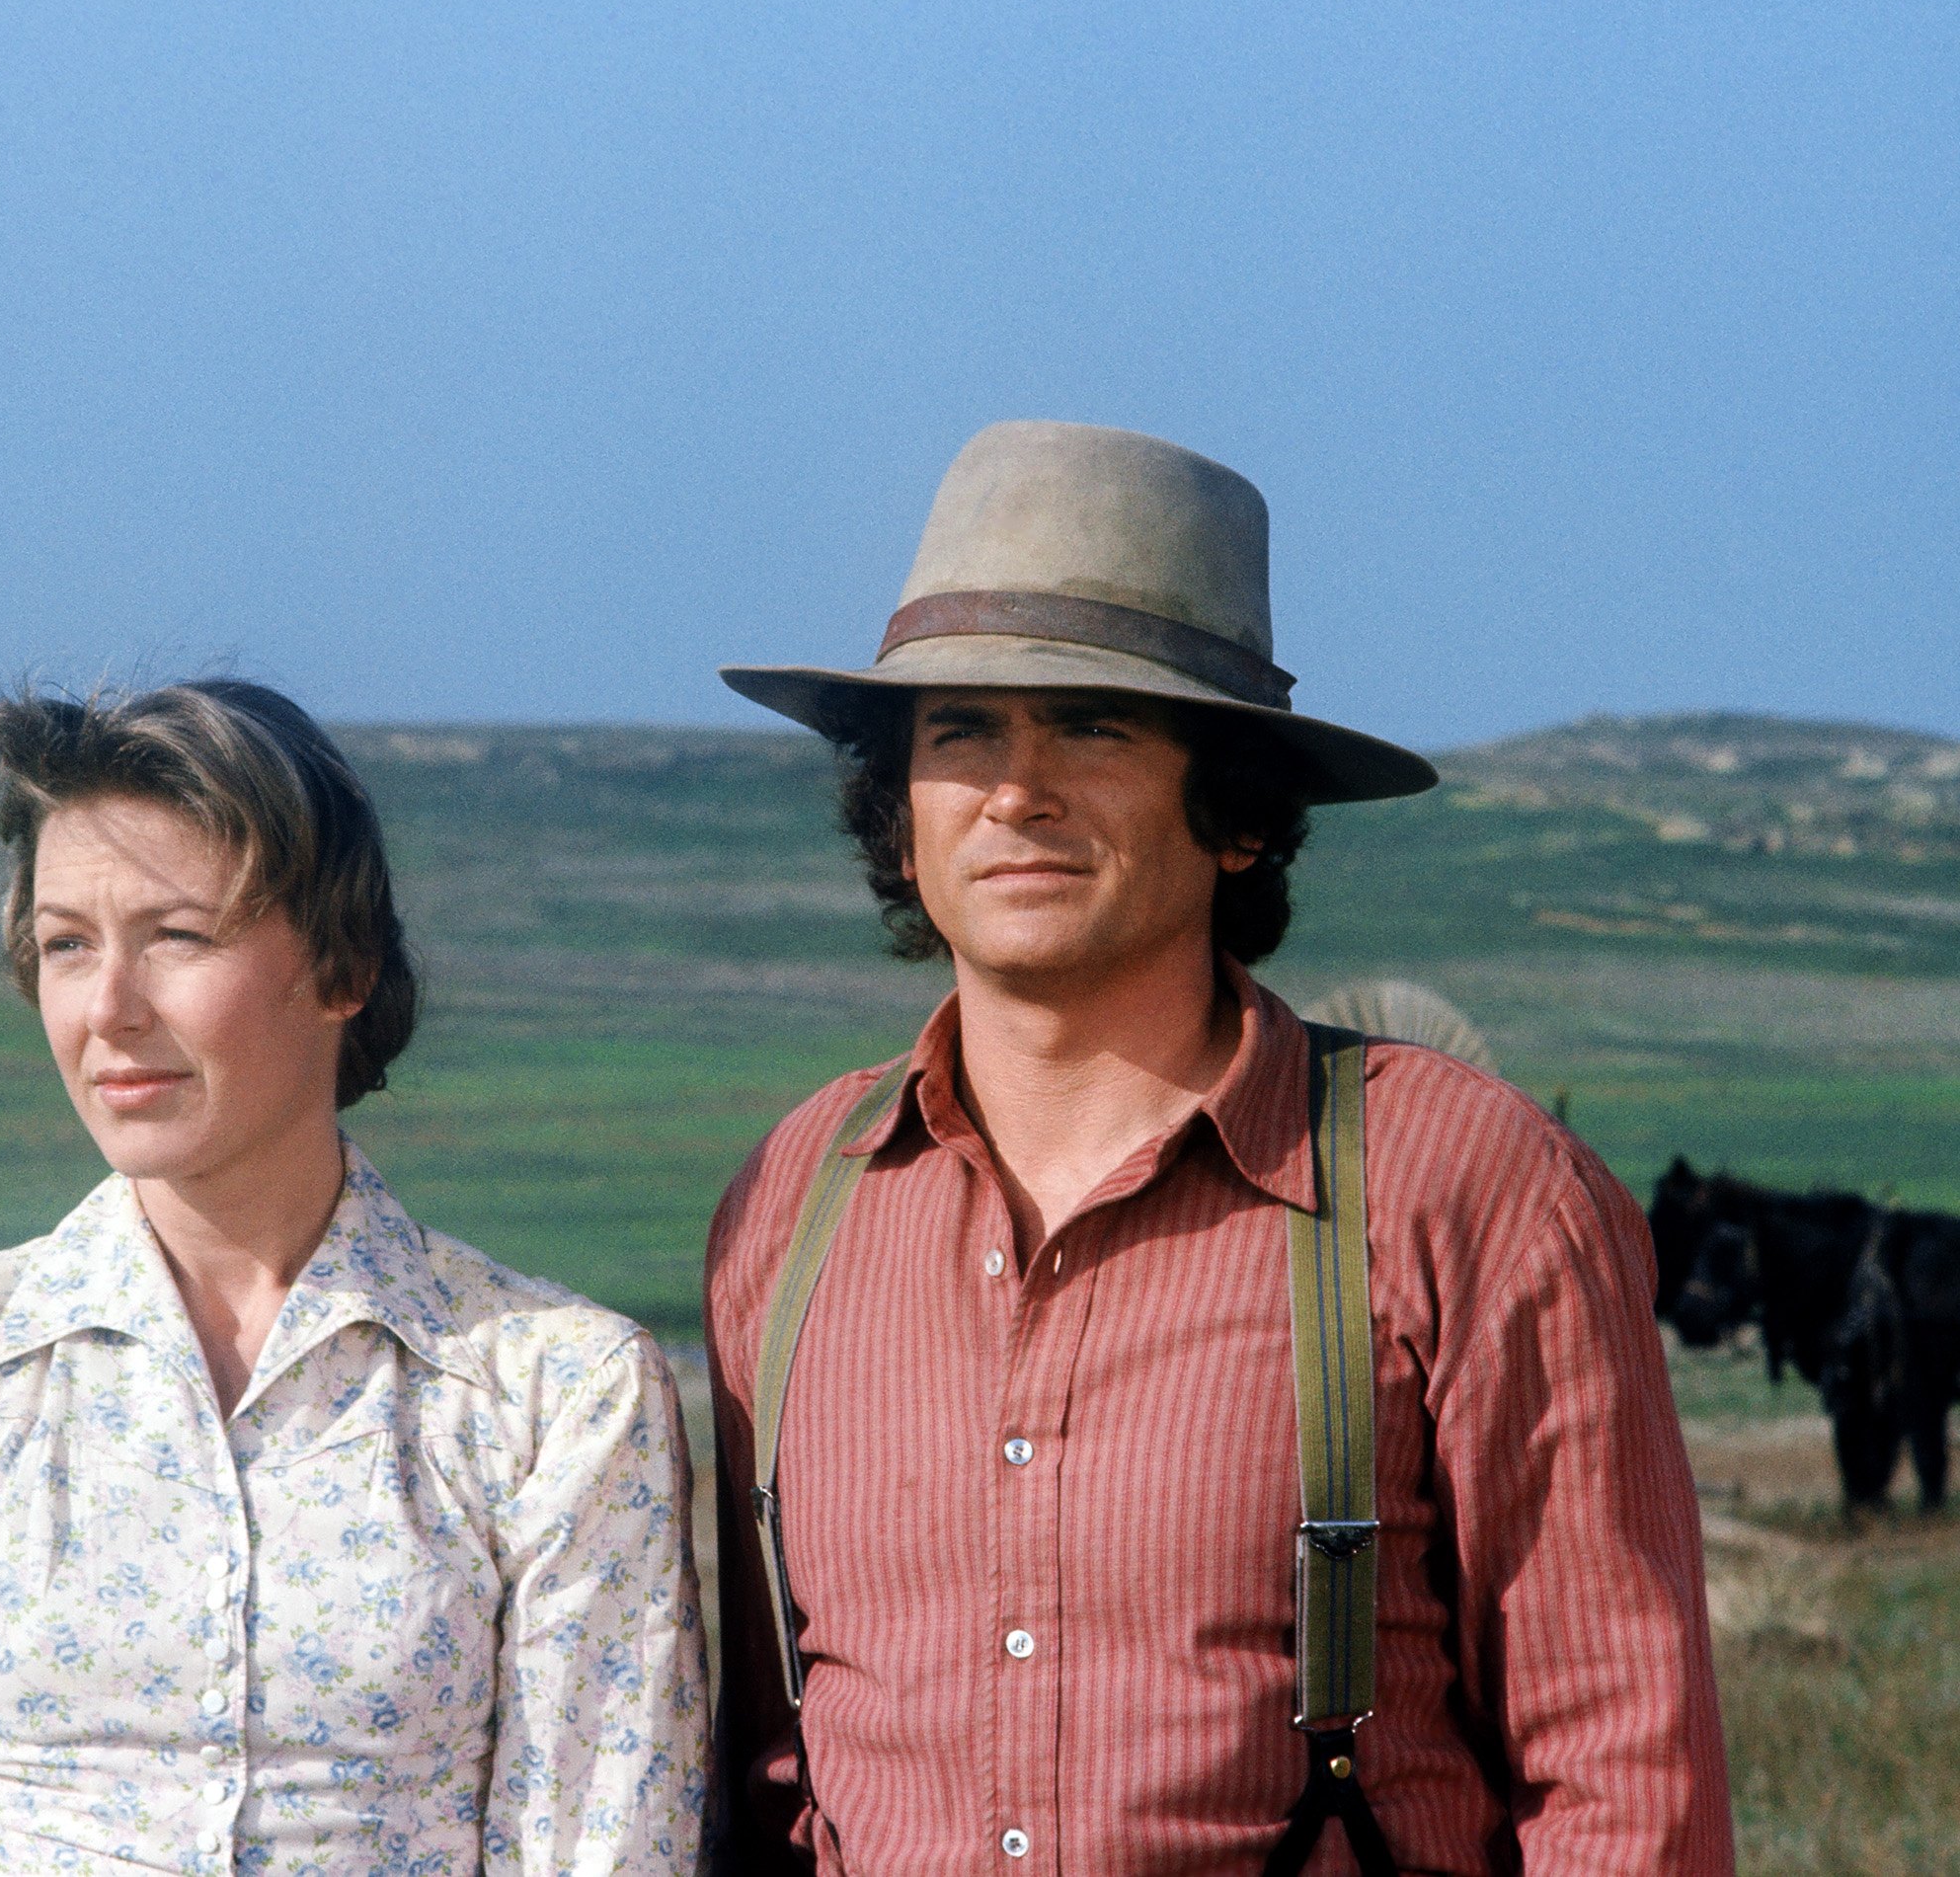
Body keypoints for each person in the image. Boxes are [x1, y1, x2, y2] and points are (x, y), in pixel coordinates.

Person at [705, 423, 1729, 1873]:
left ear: (1239, 810)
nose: (1017, 789)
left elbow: (1626, 1777)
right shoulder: (790, 1208)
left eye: (1095, 724)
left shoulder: (1464, 1191)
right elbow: (772, 1769)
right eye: (960, 730)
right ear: (901, 805)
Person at [0, 676, 709, 1877]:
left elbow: (601, 1845)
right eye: (66, 945)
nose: (108, 1010)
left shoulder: (553, 1394)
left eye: (177, 937)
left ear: (341, 967)